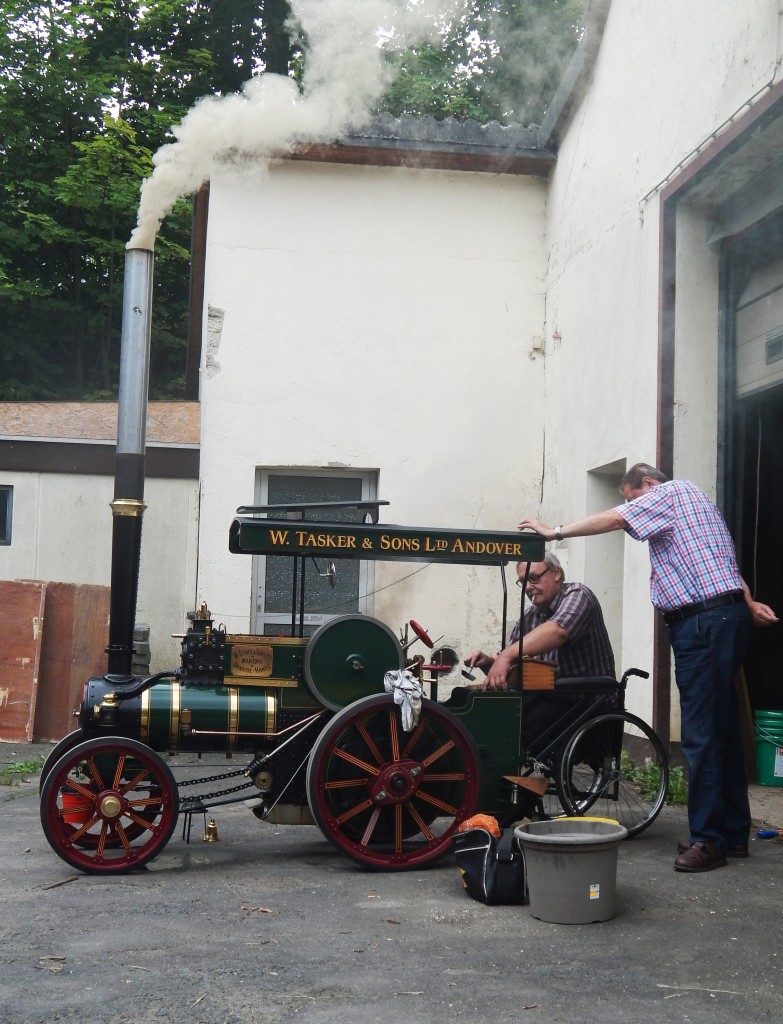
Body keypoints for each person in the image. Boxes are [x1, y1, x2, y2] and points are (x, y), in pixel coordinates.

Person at [518, 462, 779, 874]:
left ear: (648, 484)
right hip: (723, 618)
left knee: (700, 735)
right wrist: (746, 602)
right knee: (723, 727)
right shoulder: (701, 506)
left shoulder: (668, 493)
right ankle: (731, 834)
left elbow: (616, 518)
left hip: (700, 624)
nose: (633, 507)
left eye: (632, 496)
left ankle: (708, 839)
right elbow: (725, 569)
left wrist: (557, 531)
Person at [464, 552, 615, 747]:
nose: (528, 587)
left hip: (588, 702)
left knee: (518, 727)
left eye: (534, 578)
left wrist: (507, 656)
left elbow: (558, 631)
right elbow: (513, 669)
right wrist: (490, 663)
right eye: (523, 582)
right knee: (494, 714)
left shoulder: (579, 595)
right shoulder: (531, 615)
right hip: (552, 697)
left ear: (556, 573)